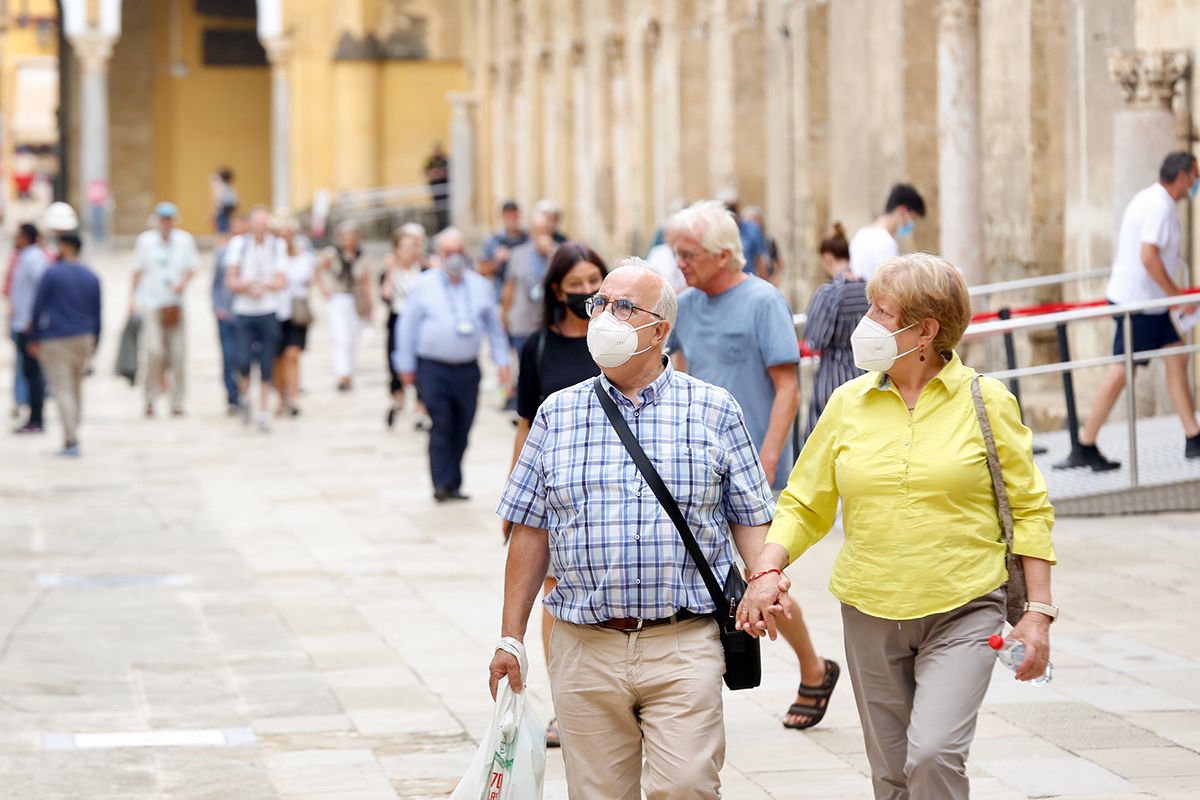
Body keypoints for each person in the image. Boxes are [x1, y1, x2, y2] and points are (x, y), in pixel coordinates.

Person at [738, 253, 1057, 800]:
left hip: (963, 603)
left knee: (932, 755)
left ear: (925, 330)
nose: (867, 324)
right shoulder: (847, 403)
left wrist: (1039, 614)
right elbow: (805, 501)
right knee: (890, 777)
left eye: (882, 312)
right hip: (870, 609)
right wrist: (767, 567)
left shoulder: (986, 400)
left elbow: (1029, 508)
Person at [490, 262, 774, 798]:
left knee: (688, 786)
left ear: (661, 328)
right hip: (584, 648)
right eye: (600, 303)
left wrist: (763, 578)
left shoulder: (713, 410)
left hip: (684, 640)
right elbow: (528, 532)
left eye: (624, 307)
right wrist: (512, 638)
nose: (604, 316)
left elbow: (751, 516)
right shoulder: (558, 414)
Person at [667, 200, 838, 731]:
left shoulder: (764, 301)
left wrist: (765, 458)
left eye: (689, 254)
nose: (680, 264)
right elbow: (682, 371)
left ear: (723, 254)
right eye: (677, 254)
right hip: (698, 466)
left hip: (756, 469)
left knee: (761, 575)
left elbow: (788, 387)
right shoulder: (687, 306)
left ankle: (813, 668)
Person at [503, 241, 608, 748]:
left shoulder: (615, 342)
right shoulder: (538, 348)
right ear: (555, 291)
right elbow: (526, 425)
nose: (587, 293)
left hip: (613, 490)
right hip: (556, 490)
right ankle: (567, 704)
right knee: (554, 600)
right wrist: (514, 494)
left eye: (595, 283)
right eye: (576, 287)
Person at [1062, 151, 1200, 470]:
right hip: (1140, 305)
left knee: (1177, 356)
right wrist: (1176, 295)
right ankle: (1085, 444)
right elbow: (1148, 256)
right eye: (1195, 176)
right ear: (1183, 176)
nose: (1195, 183)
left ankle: (1193, 436)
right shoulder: (1160, 207)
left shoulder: (1149, 198)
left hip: (1146, 302)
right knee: (1122, 371)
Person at [396, 228, 510, 501]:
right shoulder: (424, 285)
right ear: (439, 255)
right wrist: (405, 364)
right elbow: (407, 327)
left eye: (458, 252)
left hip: (468, 369)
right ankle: (440, 483)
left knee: (463, 425)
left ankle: (455, 481)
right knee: (442, 422)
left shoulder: (480, 286)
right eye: (449, 253)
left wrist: (502, 362)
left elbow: (494, 329)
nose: (454, 258)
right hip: (433, 367)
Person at [26, 233, 101, 457]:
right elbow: (98, 313)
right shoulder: (91, 276)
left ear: (66, 247)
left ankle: (71, 439)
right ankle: (74, 429)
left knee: (62, 389)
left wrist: (33, 338)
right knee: (76, 387)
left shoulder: (52, 273)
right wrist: (97, 339)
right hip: (84, 337)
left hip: (56, 338)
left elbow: (38, 308)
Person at [131, 202, 198, 418]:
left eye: (169, 219)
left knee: (178, 355)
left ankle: (177, 401)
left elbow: (192, 268)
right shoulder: (145, 242)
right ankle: (150, 398)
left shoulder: (184, 241)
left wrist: (182, 284)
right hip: (151, 303)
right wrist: (131, 300)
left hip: (175, 304)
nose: (166, 223)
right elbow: (137, 271)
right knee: (154, 352)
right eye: (163, 219)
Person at [804, 222, 869, 438]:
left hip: (833, 375)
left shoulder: (828, 293)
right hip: (865, 373)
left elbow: (814, 340)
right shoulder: (869, 288)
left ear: (827, 258)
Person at [225, 206, 287, 432]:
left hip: (268, 309)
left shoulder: (276, 245)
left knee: (267, 362)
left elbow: (281, 280)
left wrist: (262, 286)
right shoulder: (239, 245)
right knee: (242, 361)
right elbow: (230, 280)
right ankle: (245, 398)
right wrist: (249, 286)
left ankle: (263, 410)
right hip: (244, 310)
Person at [317, 221, 373, 392]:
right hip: (337, 298)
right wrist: (324, 289)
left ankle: (349, 373)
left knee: (352, 338)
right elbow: (318, 269)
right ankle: (342, 375)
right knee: (341, 338)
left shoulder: (362, 256)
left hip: (355, 299)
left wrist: (370, 304)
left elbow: (366, 281)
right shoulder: (332, 254)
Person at [500, 210, 557, 378]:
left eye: (546, 230)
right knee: (526, 371)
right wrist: (504, 315)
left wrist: (552, 255)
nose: (542, 235)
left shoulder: (559, 254)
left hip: (549, 323)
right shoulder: (518, 254)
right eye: (538, 230)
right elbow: (509, 287)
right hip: (523, 323)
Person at [382, 223, 427, 428]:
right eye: (404, 247)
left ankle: (419, 410)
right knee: (395, 363)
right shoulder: (393, 270)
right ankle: (397, 400)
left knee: (421, 364)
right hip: (397, 320)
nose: (409, 251)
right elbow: (385, 295)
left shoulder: (425, 270)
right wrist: (391, 270)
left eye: (413, 246)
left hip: (420, 322)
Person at [9, 223, 51, 435]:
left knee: (34, 374)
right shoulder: (25, 256)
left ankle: (37, 418)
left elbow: (42, 289)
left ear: (25, 237)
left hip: (30, 326)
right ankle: (33, 416)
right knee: (28, 372)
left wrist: (33, 322)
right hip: (23, 322)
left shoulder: (34, 258)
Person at [273, 217, 316, 417]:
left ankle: (294, 396)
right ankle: (282, 396)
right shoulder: (271, 258)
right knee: (277, 357)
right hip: (275, 310)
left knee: (293, 354)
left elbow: (304, 281)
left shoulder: (304, 258)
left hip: (296, 311)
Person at [849, 183, 926, 281]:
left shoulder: (860, 235)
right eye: (913, 218)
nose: (911, 224)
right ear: (903, 210)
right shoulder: (886, 243)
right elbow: (891, 286)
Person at [213, 213, 249, 415]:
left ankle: (245, 392)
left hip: (247, 312)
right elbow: (215, 283)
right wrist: (217, 307)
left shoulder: (252, 250)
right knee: (228, 355)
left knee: (244, 356)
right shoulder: (222, 252)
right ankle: (232, 395)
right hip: (226, 312)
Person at [717, 187, 767, 279]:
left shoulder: (752, 229)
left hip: (748, 280)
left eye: (732, 206)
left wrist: (764, 283)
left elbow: (759, 259)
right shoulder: (715, 230)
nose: (730, 210)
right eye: (726, 206)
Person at [479, 200, 528, 286]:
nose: (512, 218)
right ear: (503, 216)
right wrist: (497, 261)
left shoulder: (528, 239)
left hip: (522, 289)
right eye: (508, 215)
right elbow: (482, 271)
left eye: (514, 215)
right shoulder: (493, 240)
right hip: (501, 288)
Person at [424, 143, 450, 232]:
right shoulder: (431, 161)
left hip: (445, 191)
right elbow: (427, 173)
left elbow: (447, 172)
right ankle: (439, 229)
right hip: (435, 191)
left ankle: (446, 228)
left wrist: (438, 173)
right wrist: (436, 173)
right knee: (438, 211)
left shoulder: (445, 160)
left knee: (446, 210)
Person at [211, 168, 238, 236]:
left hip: (223, 206)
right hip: (231, 205)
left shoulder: (219, 185)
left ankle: (224, 241)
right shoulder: (229, 185)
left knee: (222, 227)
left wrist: (214, 212)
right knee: (228, 225)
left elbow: (217, 199)